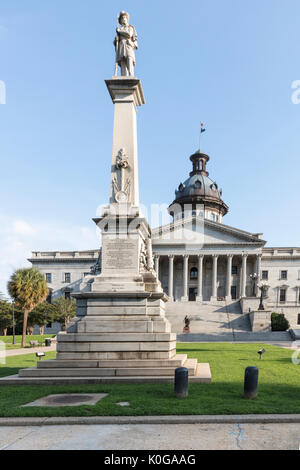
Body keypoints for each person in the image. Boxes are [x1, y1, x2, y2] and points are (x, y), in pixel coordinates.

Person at [114, 11, 138, 76]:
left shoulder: (130, 27)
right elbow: (116, 42)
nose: (123, 19)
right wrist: (115, 41)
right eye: (122, 18)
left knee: (129, 59)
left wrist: (119, 31)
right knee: (123, 62)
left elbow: (129, 34)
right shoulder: (120, 29)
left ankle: (131, 76)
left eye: (124, 18)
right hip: (121, 46)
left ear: (127, 19)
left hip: (128, 45)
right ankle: (124, 76)